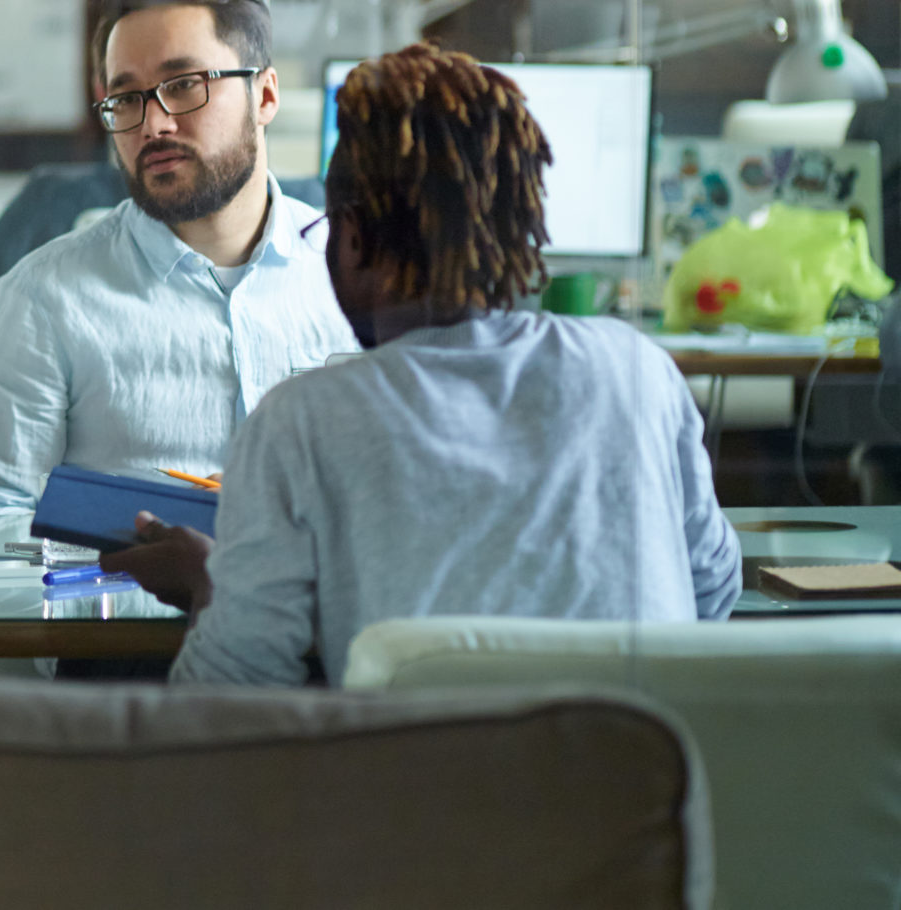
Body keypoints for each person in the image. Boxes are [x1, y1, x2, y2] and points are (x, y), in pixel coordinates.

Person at [105, 44, 742, 686]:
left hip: (428, 781)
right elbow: (709, 594)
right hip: (641, 774)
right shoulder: (635, 369)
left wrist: (211, 585)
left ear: (352, 238)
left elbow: (228, 693)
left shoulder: (303, 422)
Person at [0, 0, 355, 529]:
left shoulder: (361, 277)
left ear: (264, 95)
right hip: (130, 615)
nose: (154, 124)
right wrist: (130, 568)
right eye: (125, 98)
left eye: (185, 84)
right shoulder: (39, 305)